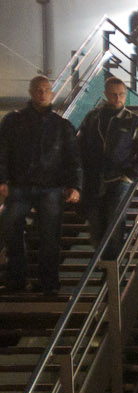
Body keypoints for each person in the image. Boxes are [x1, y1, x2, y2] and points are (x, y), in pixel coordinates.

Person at [0, 76, 83, 297]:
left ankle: (48, 283)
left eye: (46, 90)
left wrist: (75, 186)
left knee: (50, 238)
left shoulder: (62, 126)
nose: (42, 93)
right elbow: (2, 152)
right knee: (11, 231)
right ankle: (18, 280)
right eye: (38, 90)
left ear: (52, 93)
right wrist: (2, 180)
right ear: (31, 91)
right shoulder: (13, 122)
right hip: (20, 186)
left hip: (51, 188)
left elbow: (73, 159)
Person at [78, 76, 138, 261]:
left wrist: (130, 175)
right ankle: (104, 264)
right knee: (95, 224)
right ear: (105, 94)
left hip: (119, 178)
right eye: (113, 94)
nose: (118, 98)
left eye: (121, 94)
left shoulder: (133, 121)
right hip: (94, 178)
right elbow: (79, 145)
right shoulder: (92, 118)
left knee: (114, 220)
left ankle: (113, 267)